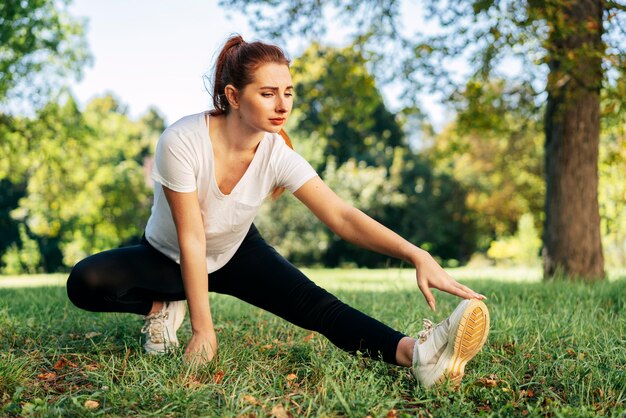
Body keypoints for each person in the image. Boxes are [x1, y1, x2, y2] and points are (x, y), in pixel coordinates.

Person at [66, 35, 490, 388]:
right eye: (267, 93)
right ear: (233, 96)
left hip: (235, 251)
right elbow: (192, 237)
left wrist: (416, 254)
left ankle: (420, 355)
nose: (282, 104)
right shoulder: (181, 141)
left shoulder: (277, 153)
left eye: (287, 92)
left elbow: (342, 217)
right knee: (86, 282)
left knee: (317, 305)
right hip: (169, 256)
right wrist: (203, 328)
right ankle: (162, 308)